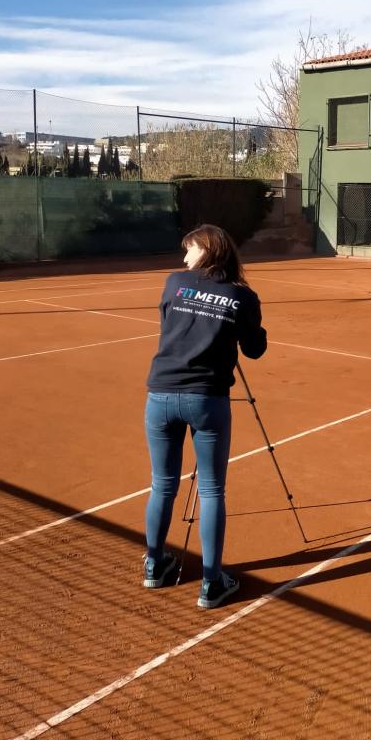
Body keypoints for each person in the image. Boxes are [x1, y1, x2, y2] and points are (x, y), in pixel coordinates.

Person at [143, 224, 267, 609]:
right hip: (206, 399)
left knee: (162, 485)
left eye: (190, 249)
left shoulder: (173, 283)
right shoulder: (242, 296)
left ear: (209, 251)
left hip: (160, 394)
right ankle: (212, 582)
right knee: (212, 489)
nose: (184, 258)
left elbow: (171, 327)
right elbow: (254, 349)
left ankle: (154, 564)